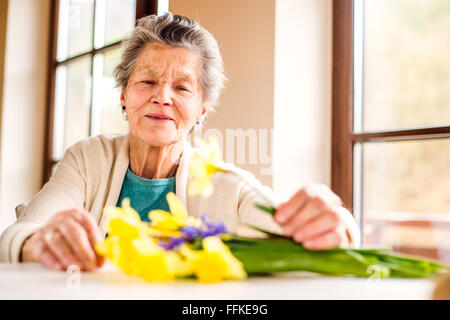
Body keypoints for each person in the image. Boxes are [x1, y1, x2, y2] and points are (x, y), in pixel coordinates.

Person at [0, 13, 360, 271]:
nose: (163, 98)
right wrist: (40, 243)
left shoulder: (227, 185)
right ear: (124, 95)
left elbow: (307, 233)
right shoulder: (87, 159)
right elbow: (19, 236)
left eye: (182, 87)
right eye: (147, 82)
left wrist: (337, 226)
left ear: (202, 108)